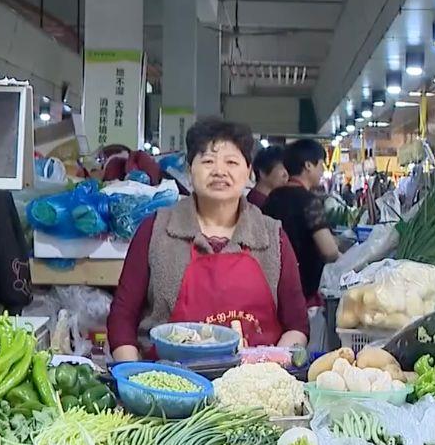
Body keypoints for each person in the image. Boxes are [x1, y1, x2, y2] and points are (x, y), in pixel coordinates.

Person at [106, 118, 310, 361]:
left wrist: (274, 367)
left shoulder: (272, 237)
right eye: (208, 161)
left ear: (248, 171)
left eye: (231, 162)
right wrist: (132, 372)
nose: (219, 171)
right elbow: (122, 316)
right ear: (190, 170)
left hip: (254, 379)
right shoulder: (156, 230)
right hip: (168, 378)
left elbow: (297, 324)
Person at [262, 138, 340, 300]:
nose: (322, 170)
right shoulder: (309, 201)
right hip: (304, 287)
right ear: (308, 165)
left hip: (273, 283)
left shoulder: (272, 197)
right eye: (321, 165)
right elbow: (330, 251)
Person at [247, 145, 287, 210]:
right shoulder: (256, 204)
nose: (286, 175)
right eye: (281, 168)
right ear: (263, 173)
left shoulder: (269, 200)